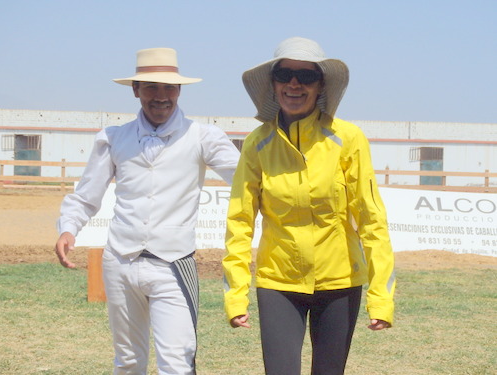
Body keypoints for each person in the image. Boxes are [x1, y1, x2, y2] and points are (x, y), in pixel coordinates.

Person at [55, 47, 240, 374]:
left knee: (177, 363)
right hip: (120, 263)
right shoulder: (113, 138)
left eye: (169, 87)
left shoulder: (203, 136)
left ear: (180, 90)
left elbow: (247, 178)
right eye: (151, 87)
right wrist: (69, 228)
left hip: (172, 265)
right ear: (135, 89)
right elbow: (87, 194)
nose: (161, 96)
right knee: (127, 361)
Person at [222, 37, 396, 375]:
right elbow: (239, 221)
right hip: (278, 283)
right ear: (273, 84)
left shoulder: (348, 139)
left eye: (307, 76)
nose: (294, 84)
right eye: (285, 74)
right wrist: (235, 295)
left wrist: (381, 298)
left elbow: (372, 220)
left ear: (321, 86)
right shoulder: (258, 143)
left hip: (340, 283)